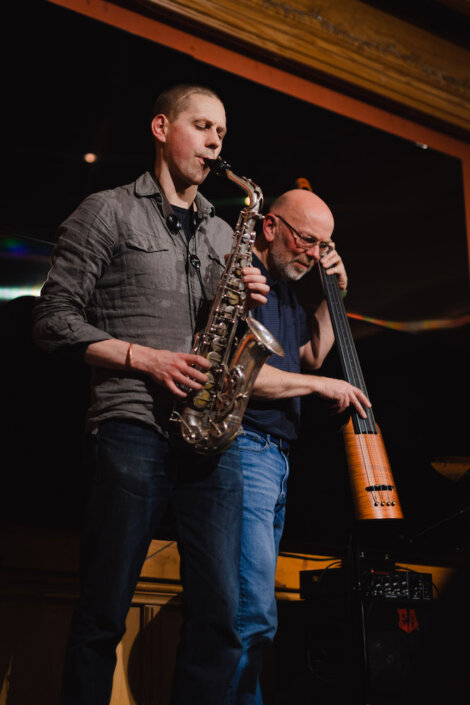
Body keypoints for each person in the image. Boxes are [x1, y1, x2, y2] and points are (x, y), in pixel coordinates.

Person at [32, 83, 270, 705]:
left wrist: (249, 301)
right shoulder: (106, 210)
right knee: (104, 611)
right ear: (162, 128)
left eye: (222, 131)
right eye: (203, 126)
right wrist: (146, 359)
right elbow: (52, 320)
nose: (217, 141)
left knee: (221, 618)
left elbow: (225, 335)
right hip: (131, 425)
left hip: (211, 439)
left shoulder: (224, 234)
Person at [226, 188, 371, 704]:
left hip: (275, 456)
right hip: (244, 449)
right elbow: (241, 377)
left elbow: (308, 355)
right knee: (251, 614)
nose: (314, 254)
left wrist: (337, 296)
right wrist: (322, 387)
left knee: (253, 613)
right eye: (307, 240)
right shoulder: (247, 281)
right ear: (270, 227)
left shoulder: (289, 291)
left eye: (324, 245)